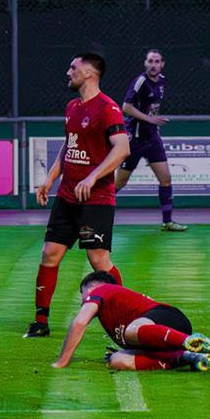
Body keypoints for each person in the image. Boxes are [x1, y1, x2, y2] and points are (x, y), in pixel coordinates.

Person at [25, 53, 130, 338]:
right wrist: (50, 178)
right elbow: (69, 146)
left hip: (96, 199)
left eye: (73, 68)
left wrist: (93, 176)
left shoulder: (108, 108)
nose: (68, 71)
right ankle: (40, 322)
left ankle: (127, 313)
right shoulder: (72, 106)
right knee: (50, 254)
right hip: (67, 197)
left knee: (99, 261)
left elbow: (122, 149)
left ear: (88, 73)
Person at [49, 272, 210, 371]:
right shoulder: (114, 309)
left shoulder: (101, 290)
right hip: (163, 335)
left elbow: (79, 322)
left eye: (82, 292)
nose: (82, 299)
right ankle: (189, 357)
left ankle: (188, 341)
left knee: (130, 332)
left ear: (92, 287)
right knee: (118, 360)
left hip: (170, 318)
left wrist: (62, 362)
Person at [115, 49, 185, 231]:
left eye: (157, 62)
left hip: (152, 138)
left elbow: (150, 108)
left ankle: (167, 221)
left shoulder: (162, 81)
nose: (153, 65)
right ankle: (90, 210)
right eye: (150, 61)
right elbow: (126, 107)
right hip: (135, 139)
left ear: (162, 64)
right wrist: (149, 119)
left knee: (165, 179)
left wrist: (153, 122)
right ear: (145, 64)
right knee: (120, 182)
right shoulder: (140, 82)